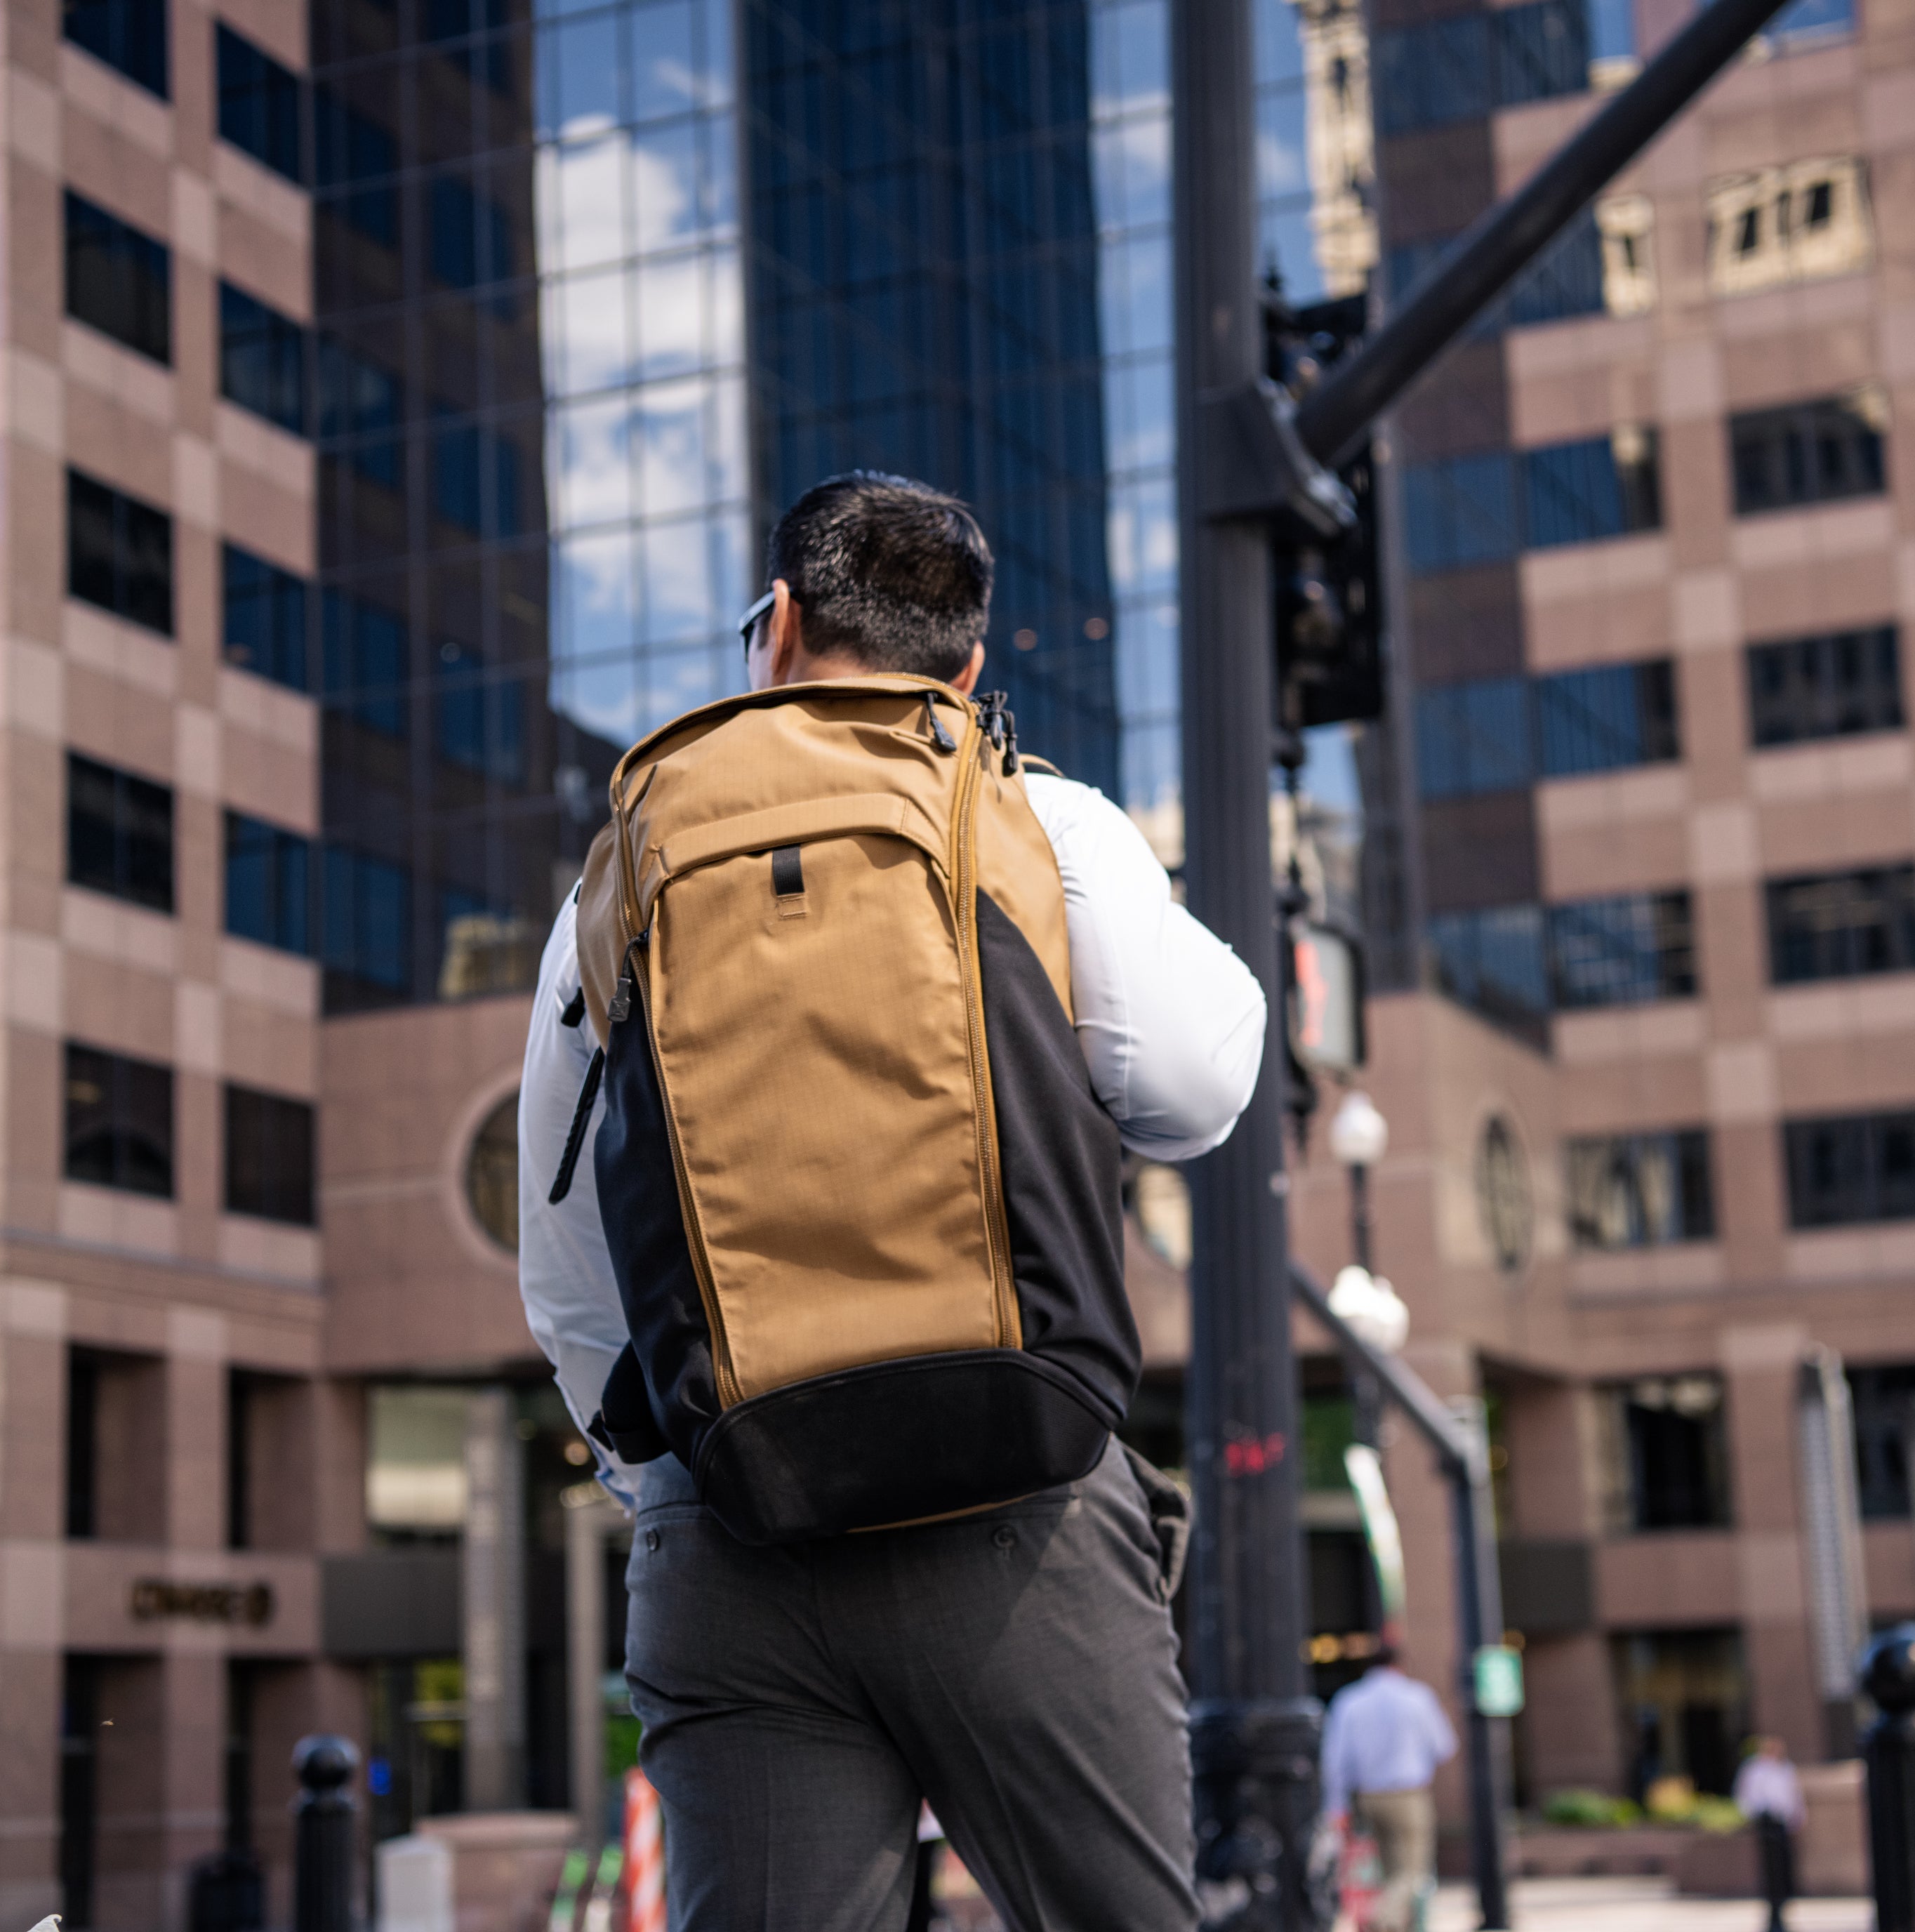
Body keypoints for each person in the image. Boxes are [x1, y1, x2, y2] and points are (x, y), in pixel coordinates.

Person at [518, 470, 1266, 1931]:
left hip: (733, 1522)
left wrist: (665, 1482)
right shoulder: (1037, 820)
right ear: (969, 668)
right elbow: (1197, 1086)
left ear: (778, 623)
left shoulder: (627, 865)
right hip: (1014, 1499)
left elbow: (566, 1256)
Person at [1320, 1641, 1460, 1932]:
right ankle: (1381, 1917)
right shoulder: (1418, 1697)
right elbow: (1444, 1746)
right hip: (1408, 1793)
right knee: (1412, 1870)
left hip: (1367, 1796)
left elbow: (1335, 1760)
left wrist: (1337, 1806)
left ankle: (1393, 1923)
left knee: (1386, 1869)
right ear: (1400, 1664)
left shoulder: (1349, 1700)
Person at [1732, 1735, 1805, 1932]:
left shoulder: (1786, 1769)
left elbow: (1794, 1797)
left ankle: (1781, 1911)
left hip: (1782, 1824)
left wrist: (1795, 1820)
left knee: (1783, 1871)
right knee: (1770, 1871)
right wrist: (1756, 1814)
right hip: (1765, 1823)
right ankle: (1772, 1914)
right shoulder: (1755, 1769)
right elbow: (1745, 1796)